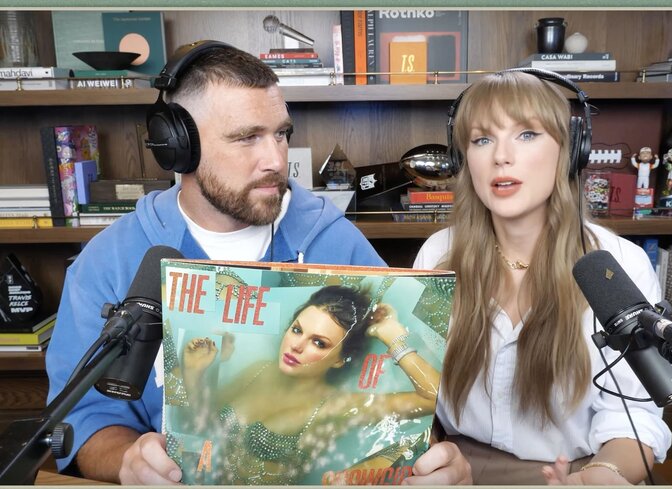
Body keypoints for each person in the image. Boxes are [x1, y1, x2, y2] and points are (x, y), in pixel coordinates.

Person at [45, 43, 471, 485]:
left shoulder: (335, 240)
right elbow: (84, 421)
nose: (276, 160)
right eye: (247, 137)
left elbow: (400, 411)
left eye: (281, 134)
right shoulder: (108, 260)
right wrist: (127, 460)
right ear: (179, 147)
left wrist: (432, 464)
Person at [414, 71, 671, 485]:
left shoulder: (619, 264)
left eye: (527, 134)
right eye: (482, 139)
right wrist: (434, 458)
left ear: (571, 151)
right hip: (460, 469)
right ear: (464, 160)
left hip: (583, 470)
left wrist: (600, 476)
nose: (501, 156)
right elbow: (412, 394)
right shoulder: (437, 256)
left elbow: (636, 418)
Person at [172, 285, 441, 485]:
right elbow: (200, 427)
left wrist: (390, 334)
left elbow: (432, 398)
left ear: (340, 360)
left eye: (319, 342)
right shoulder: (260, 369)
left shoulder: (337, 406)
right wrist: (195, 374)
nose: (296, 345)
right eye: (297, 330)